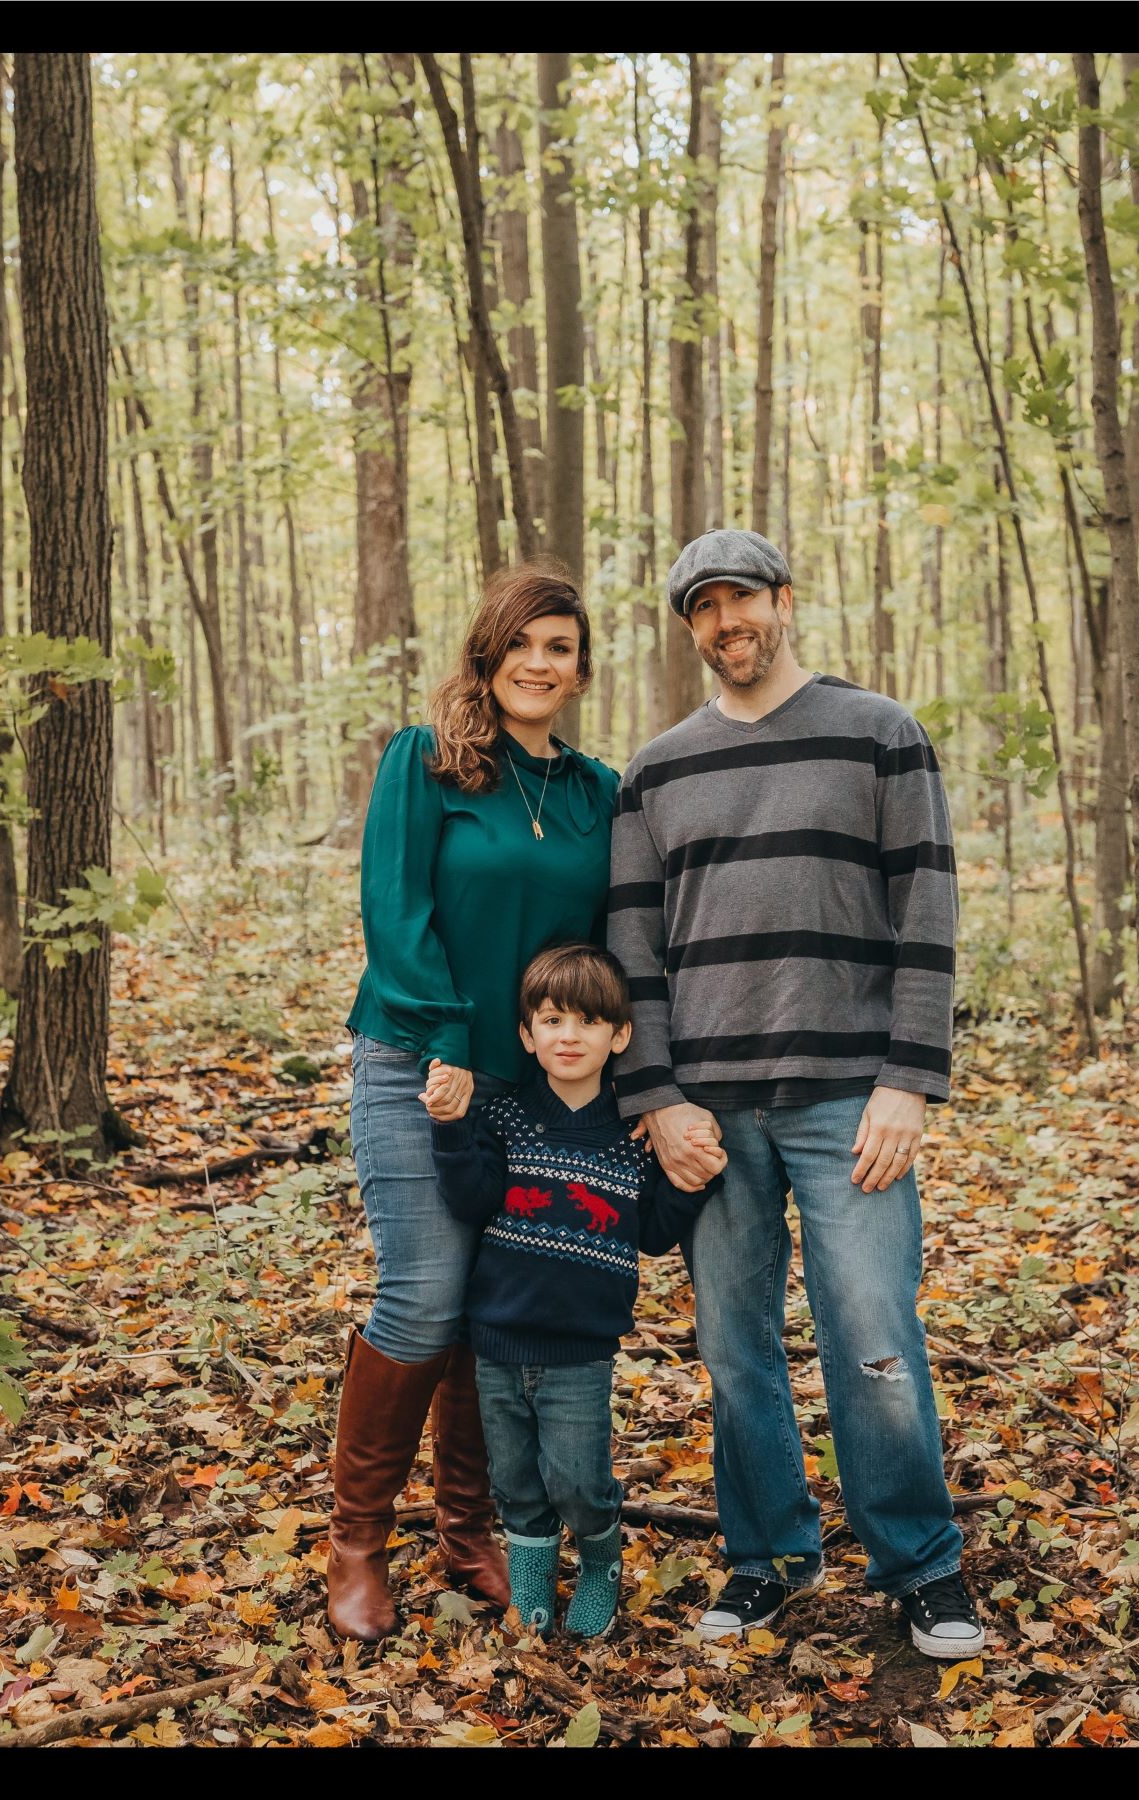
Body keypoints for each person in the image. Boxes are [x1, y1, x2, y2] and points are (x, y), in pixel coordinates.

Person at [607, 527, 986, 1658]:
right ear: (689, 628)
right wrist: (656, 1098)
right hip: (707, 1119)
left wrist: (909, 1081)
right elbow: (633, 954)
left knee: (873, 1335)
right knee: (732, 1347)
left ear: (784, 599)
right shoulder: (656, 770)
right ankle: (767, 1555)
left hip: (847, 1104)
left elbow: (928, 913)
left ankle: (920, 1565)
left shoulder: (879, 735)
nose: (727, 623)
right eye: (704, 608)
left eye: (743, 599)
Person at [330, 564, 618, 1643]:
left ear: (580, 668)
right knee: (425, 1290)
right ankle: (355, 1542)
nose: (541, 664)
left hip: (537, 1089)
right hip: (418, 1060)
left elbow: (611, 947)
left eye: (561, 647)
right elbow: (394, 914)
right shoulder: (430, 762)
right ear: (488, 655)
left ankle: (465, 1528)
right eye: (524, 645)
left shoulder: (597, 791)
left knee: (493, 1303)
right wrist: (447, 1042)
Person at [430, 943, 722, 1639]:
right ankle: (531, 1579)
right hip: (499, 1341)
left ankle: (598, 1560)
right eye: (553, 1021)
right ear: (527, 1035)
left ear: (618, 1036)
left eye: (587, 1023)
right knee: (518, 1483)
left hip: (581, 1350)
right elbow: (471, 1199)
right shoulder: (502, 1119)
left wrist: (691, 1181)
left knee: (579, 1483)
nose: (569, 1036)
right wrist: (448, 1128)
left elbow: (650, 1233)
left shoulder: (632, 1133)